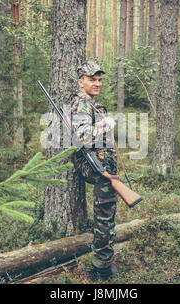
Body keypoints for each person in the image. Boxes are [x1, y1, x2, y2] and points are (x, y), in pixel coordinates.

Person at [70, 61, 118, 280]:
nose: (97, 83)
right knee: (104, 217)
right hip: (97, 169)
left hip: (103, 168)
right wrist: (106, 124)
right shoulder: (81, 104)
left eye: (99, 79)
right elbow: (82, 137)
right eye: (92, 79)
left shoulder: (89, 103)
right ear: (81, 82)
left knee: (106, 215)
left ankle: (103, 261)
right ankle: (101, 268)